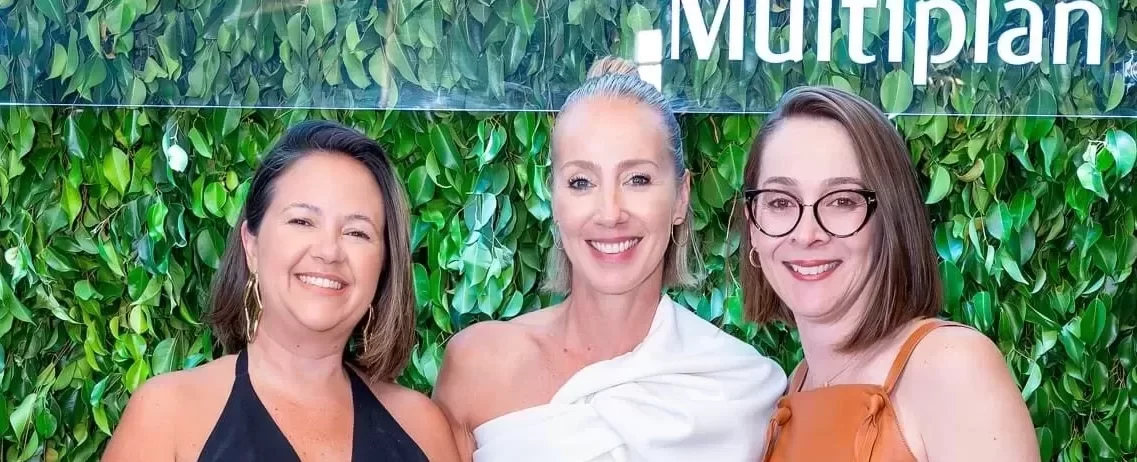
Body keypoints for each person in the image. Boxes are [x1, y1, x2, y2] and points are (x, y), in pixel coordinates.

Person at [431, 56, 788, 462]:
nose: (610, 212)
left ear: (681, 197)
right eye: (581, 182)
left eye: (637, 179)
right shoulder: (477, 367)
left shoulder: (743, 389)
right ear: (555, 199)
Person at [103, 120, 460, 462]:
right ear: (251, 246)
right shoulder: (168, 415)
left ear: (383, 264)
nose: (329, 251)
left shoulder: (421, 428)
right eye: (302, 221)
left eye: (357, 232)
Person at [738, 86, 1040, 461]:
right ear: (753, 225)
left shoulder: (951, 367)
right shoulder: (795, 385)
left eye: (842, 201)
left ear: (890, 219)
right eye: (781, 202)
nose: (807, 234)